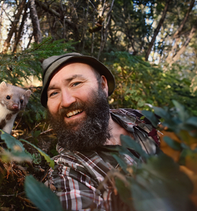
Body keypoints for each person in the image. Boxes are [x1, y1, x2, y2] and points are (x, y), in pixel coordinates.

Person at [40, 53, 160, 211]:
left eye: (76, 83)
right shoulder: (66, 175)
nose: (66, 101)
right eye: (54, 93)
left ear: (103, 85)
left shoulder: (138, 118)